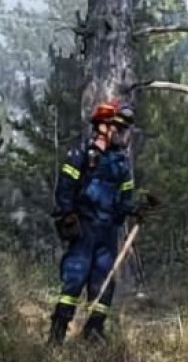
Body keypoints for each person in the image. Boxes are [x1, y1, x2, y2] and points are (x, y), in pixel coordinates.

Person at [49, 100, 143, 344]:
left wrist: (136, 209)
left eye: (123, 130)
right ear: (102, 127)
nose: (121, 134)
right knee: (74, 279)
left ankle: (94, 333)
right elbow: (65, 187)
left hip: (107, 233)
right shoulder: (81, 153)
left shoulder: (121, 162)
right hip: (83, 229)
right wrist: (67, 214)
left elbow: (124, 199)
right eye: (117, 128)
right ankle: (57, 333)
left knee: (103, 283)